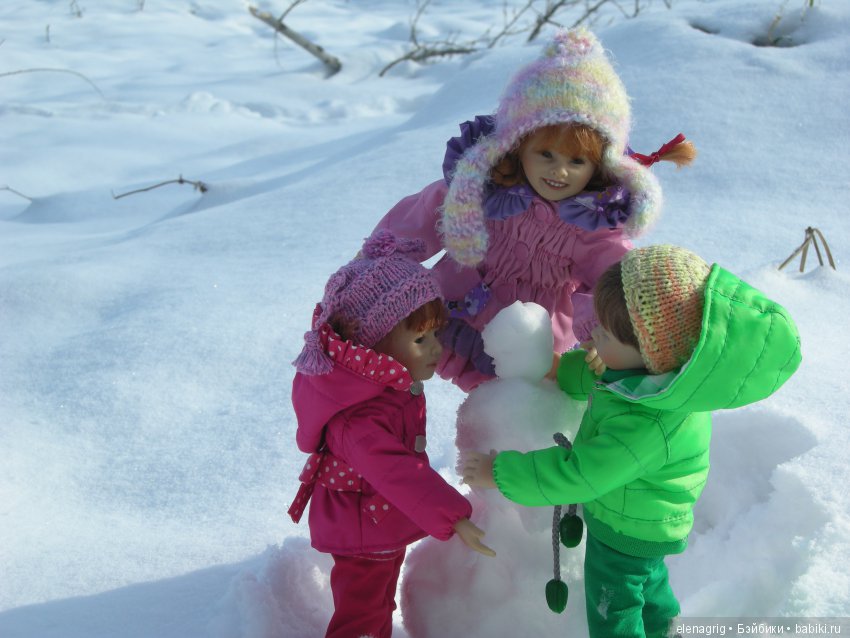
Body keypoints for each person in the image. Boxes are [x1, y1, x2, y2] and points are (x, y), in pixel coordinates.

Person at [462, 245, 801, 638]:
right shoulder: (659, 381)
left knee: (613, 610)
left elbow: (581, 474)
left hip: (628, 531)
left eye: (604, 334)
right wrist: (563, 370)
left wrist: (500, 472)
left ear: (653, 353)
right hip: (647, 522)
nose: (593, 337)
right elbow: (601, 378)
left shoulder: (647, 425)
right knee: (651, 590)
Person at [373, 28, 696, 391]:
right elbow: (422, 218)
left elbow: (607, 282)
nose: (559, 171)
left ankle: (500, 445)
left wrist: (599, 336)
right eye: (546, 154)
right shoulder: (484, 190)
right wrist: (377, 263)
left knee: (515, 406)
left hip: (534, 341)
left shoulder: (592, 223)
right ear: (517, 145)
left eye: (577, 161)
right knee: (402, 367)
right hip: (454, 317)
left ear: (600, 164)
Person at [288, 230, 495, 638]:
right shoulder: (358, 415)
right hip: (363, 526)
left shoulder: (382, 385)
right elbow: (394, 471)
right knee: (362, 614)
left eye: (435, 334)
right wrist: (453, 516)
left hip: (375, 519)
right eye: (420, 339)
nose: (435, 348)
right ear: (375, 346)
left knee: (377, 600)